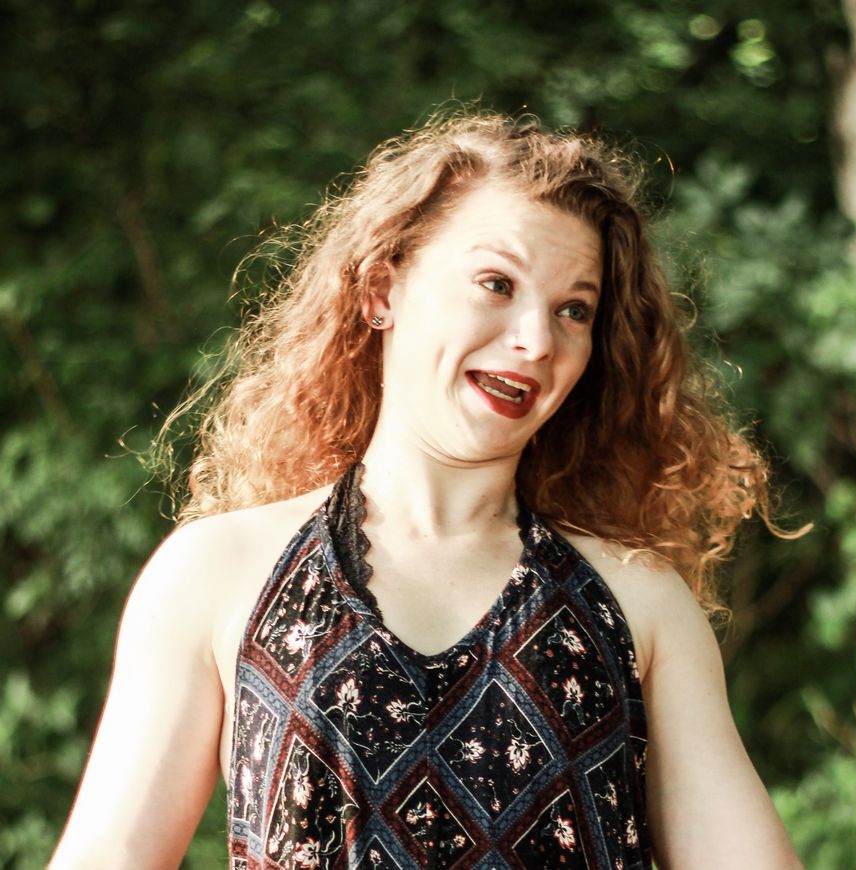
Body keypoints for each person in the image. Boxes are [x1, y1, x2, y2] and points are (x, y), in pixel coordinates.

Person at [50, 111, 805, 869]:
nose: (536, 340)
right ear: (383, 289)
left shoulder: (641, 603)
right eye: (496, 284)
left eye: (573, 310)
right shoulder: (215, 572)